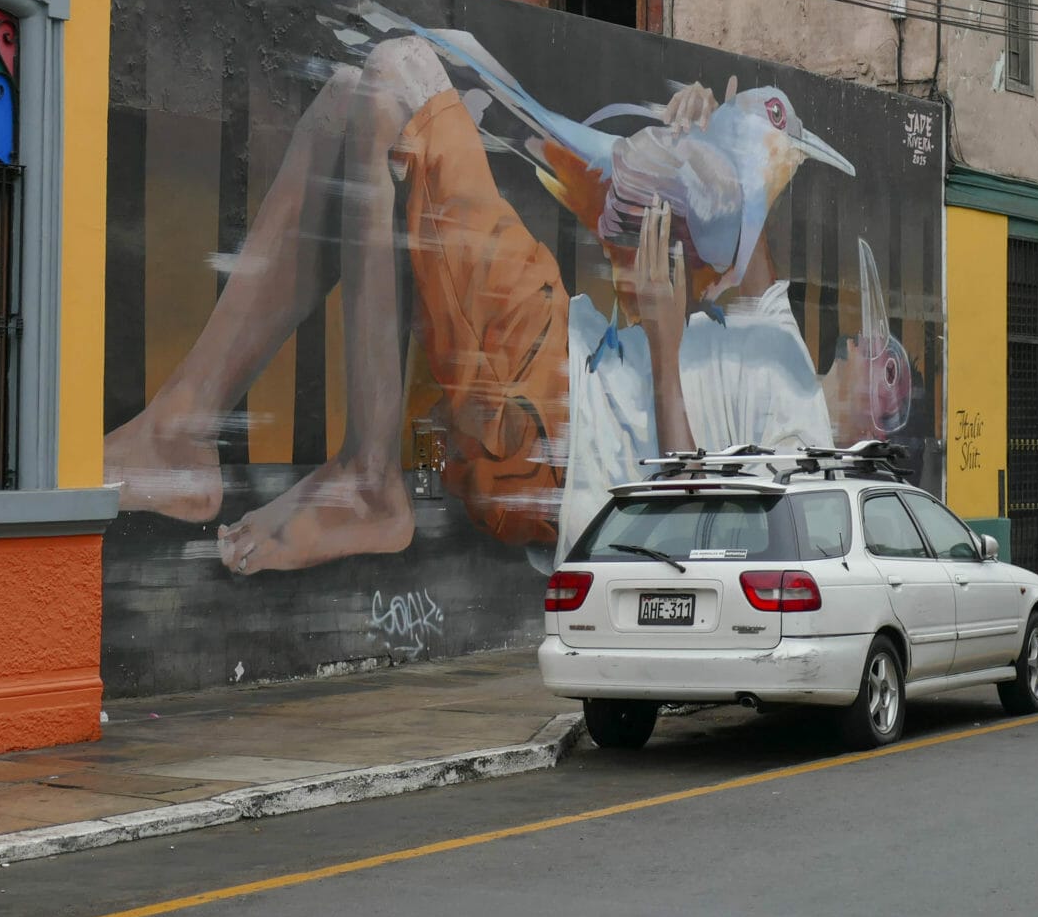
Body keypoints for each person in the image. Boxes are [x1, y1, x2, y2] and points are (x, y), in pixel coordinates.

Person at [103, 28, 872, 573]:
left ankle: (369, 481)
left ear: (876, 425)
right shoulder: (784, 348)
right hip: (538, 381)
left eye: (895, 375)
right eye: (889, 352)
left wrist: (666, 355)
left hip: (551, 418)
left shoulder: (803, 442)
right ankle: (181, 430)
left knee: (401, 71)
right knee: (350, 100)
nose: (879, 354)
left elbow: (703, 532)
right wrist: (714, 132)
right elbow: (737, 239)